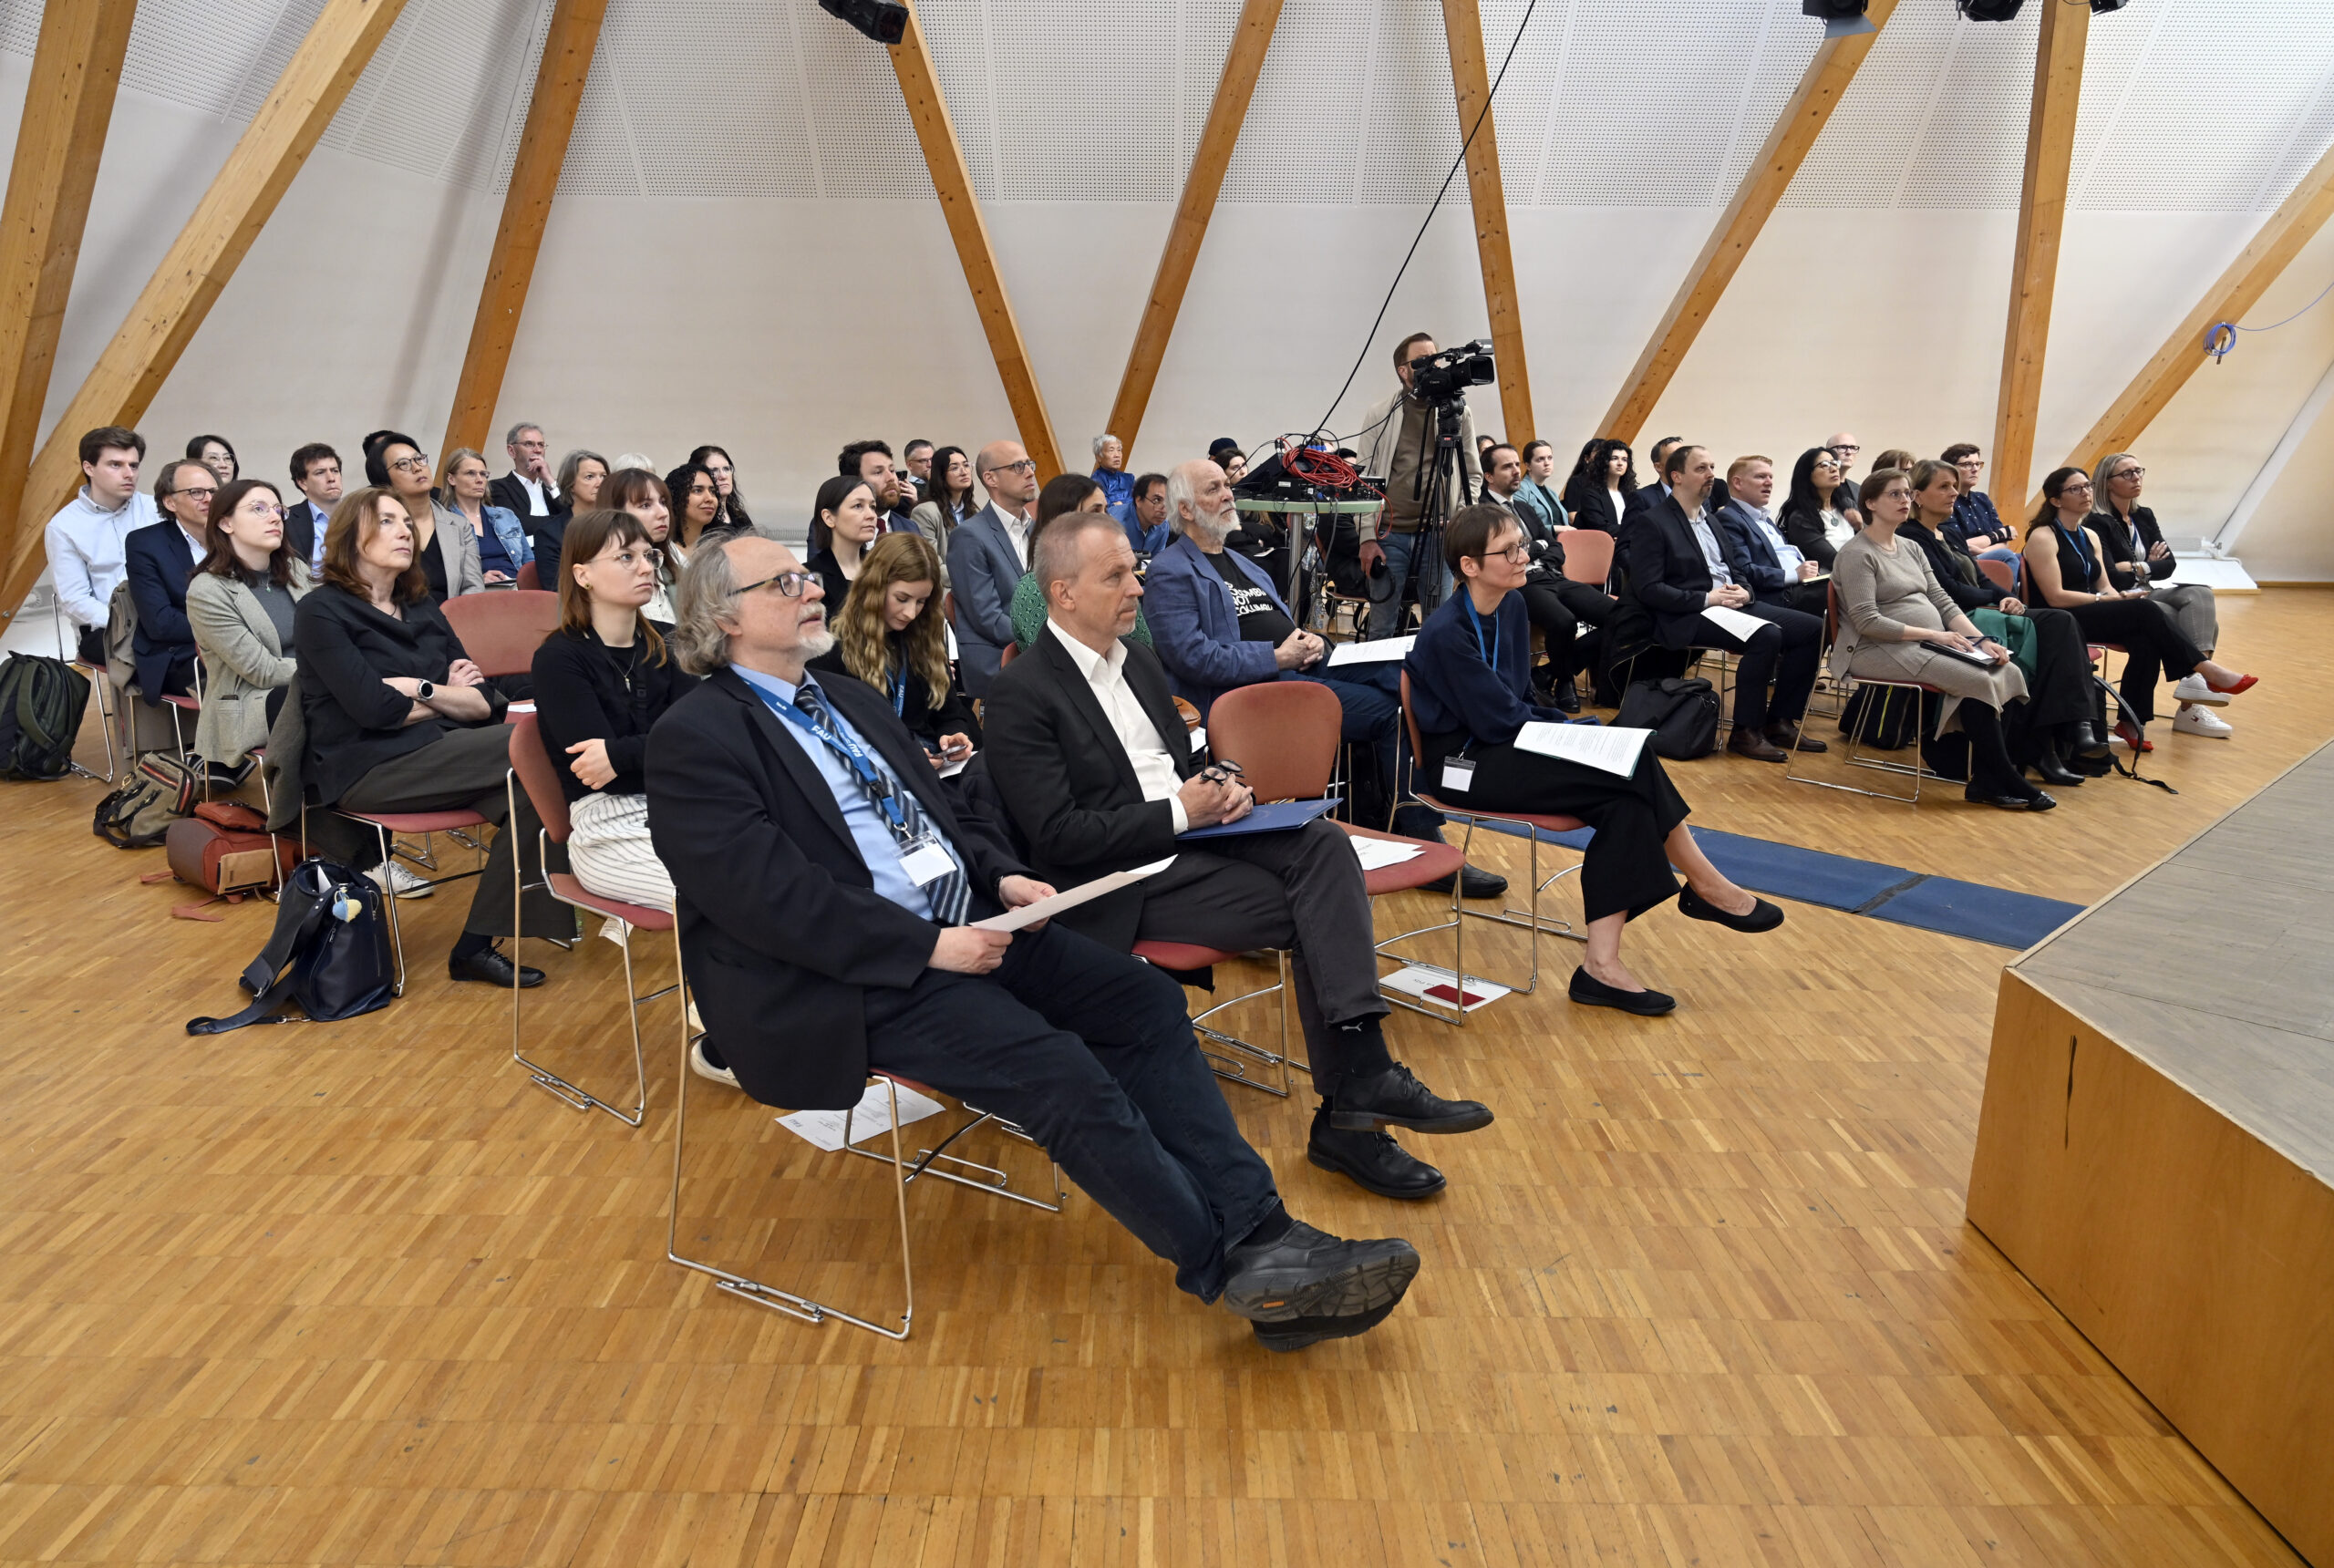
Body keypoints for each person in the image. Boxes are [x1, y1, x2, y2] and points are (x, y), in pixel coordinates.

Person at [647, 533, 1422, 1350]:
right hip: (856, 975)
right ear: (723, 617)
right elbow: (770, 902)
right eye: (786, 582)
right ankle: (1230, 1265)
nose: (812, 590)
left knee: (1145, 1002)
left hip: (975, 925)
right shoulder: (696, 739)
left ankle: (1261, 1231)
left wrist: (1002, 875)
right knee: (1058, 1070)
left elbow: (946, 821)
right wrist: (926, 947)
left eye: (808, 576)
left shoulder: (848, 699)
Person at [984, 509, 1495, 1203]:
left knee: (1320, 841)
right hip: (1121, 879)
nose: (1138, 586)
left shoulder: (1138, 660)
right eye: (1118, 576)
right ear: (1064, 593)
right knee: (1319, 904)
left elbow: (1184, 758)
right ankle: (1354, 1107)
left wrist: (1227, 782)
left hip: (1191, 840)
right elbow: (1058, 838)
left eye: (1135, 569)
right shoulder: (1021, 692)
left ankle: (1359, 1090)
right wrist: (1179, 812)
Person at [1408, 504, 1783, 1016]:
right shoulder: (1447, 632)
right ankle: (1704, 885)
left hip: (1510, 742)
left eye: (1523, 545)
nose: (1525, 557)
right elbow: (1495, 721)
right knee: (1628, 766)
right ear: (1470, 566)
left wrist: (1571, 733)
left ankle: (1601, 967)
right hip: (1463, 765)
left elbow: (1519, 695)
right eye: (1511, 551)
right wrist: (1572, 733)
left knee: (1625, 793)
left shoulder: (1512, 607)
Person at [1143, 456, 1503, 898]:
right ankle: (1422, 837)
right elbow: (1191, 657)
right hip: (1254, 694)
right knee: (1390, 712)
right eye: (1214, 488)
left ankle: (1416, 797)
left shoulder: (1245, 564)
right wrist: (1276, 656)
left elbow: (1282, 627)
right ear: (1185, 509)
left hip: (1299, 669)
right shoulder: (1171, 570)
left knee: (1407, 677)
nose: (1228, 494)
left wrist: (1312, 642)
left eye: (1225, 486)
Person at [294, 487, 564, 985]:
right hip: (368, 766)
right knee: (541, 745)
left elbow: (484, 702)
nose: (405, 531)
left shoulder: (420, 605)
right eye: (387, 521)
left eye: (406, 522)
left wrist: (418, 690)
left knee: (532, 792)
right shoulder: (321, 611)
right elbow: (373, 710)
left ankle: (475, 947)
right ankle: (601, 877)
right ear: (350, 536)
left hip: (441, 751)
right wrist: (444, 694)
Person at [1833, 469, 2053, 811]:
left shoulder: (1909, 546)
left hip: (1924, 642)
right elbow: (1867, 621)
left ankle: (1985, 780)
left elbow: (1942, 601)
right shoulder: (1857, 553)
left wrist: (1981, 641)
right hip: (1875, 648)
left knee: (2007, 671)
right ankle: (2005, 777)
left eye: (1907, 494)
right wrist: (1936, 634)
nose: (1905, 500)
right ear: (1871, 503)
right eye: (1895, 494)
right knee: (1977, 679)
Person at [530, 508, 697, 915]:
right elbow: (599, 776)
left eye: (649, 556)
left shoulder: (672, 644)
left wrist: (621, 755)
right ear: (583, 575)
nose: (645, 566)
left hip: (685, 804)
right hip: (608, 827)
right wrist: (670, 750)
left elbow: (702, 742)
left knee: (777, 874)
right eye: (626, 557)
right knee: (718, 896)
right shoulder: (559, 658)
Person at [2020, 468, 2255, 748]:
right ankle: (2205, 671)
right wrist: (2105, 600)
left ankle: (2131, 722)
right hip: (2057, 617)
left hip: (2088, 609)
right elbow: (2055, 596)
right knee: (2146, 613)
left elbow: (2104, 585)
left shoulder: (2088, 536)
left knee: (2146, 637)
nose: (2085, 493)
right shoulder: (2042, 537)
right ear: (2056, 500)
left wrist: (2119, 597)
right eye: (2075, 489)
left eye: (2087, 486)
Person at [1619, 444, 1824, 761]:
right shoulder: (1654, 521)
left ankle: (1780, 720)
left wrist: (1745, 591)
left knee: (1812, 629)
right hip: (1687, 612)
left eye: (1712, 467)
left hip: (1729, 604)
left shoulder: (1712, 520)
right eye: (1701, 468)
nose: (1711, 475)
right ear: (1677, 476)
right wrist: (1706, 598)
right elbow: (1649, 589)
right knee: (1767, 635)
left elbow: (1737, 570)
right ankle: (1745, 731)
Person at [1903, 459, 2103, 783]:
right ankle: (2061, 739)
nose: (1954, 493)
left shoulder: (1948, 534)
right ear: (1918, 496)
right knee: (2058, 624)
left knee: (2058, 631)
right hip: (1951, 623)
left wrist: (2006, 596)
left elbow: (1981, 581)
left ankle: (2053, 743)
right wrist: (1994, 600)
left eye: (1954, 486)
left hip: (1980, 612)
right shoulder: (1912, 536)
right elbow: (1947, 591)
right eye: (1944, 486)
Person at [2091, 451, 2228, 739]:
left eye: (2139, 470)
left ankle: (2196, 682)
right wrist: (2147, 566)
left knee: (2200, 595)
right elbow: (2111, 575)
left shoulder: (2144, 515)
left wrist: (2136, 566)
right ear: (2107, 482)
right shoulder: (2097, 521)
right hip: (2117, 598)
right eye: (2127, 473)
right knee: (2169, 621)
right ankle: (2191, 702)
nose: (2136, 477)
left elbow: (2169, 565)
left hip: (2148, 592)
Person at [811, 531, 978, 763]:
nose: (910, 613)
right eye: (902, 599)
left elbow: (950, 714)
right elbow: (833, 736)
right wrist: (903, 756)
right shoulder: (834, 651)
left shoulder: (925, 640)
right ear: (874, 588)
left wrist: (952, 736)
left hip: (934, 766)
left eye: (921, 602)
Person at [1356, 333, 1481, 637]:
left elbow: (1473, 475)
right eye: (1422, 360)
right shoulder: (1380, 413)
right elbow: (1363, 478)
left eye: (1435, 358)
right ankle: (1378, 683)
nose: (1432, 365)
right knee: (1382, 624)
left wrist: (1459, 523)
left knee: (1439, 625)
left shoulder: (1457, 412)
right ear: (1403, 370)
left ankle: (1430, 682)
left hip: (1438, 535)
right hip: (1389, 534)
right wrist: (1366, 538)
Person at [187, 477, 311, 772]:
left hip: (313, 681)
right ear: (226, 523)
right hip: (253, 700)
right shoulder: (207, 591)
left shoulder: (295, 568)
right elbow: (262, 672)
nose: (274, 517)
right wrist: (333, 668)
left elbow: (336, 629)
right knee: (327, 699)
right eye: (258, 508)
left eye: (278, 509)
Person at [1482, 443, 1612, 712]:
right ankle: (1565, 681)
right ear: (1489, 476)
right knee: (1563, 622)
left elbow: (1556, 547)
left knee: (1621, 615)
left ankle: (1548, 673)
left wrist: (1538, 550)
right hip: (1520, 583)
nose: (1517, 471)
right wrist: (1537, 548)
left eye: (1517, 465)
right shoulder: (1482, 511)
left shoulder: (1525, 508)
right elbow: (1504, 554)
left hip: (1552, 576)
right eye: (1507, 467)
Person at [46, 426, 160, 666]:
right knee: (162, 657)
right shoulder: (64, 526)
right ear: (89, 468)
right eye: (115, 465)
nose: (129, 474)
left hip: (164, 616)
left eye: (134, 465)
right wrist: (128, 622)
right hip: (106, 628)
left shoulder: (156, 510)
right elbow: (75, 600)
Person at [1008, 473, 1154, 654]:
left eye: (1106, 511)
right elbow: (1060, 662)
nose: (1108, 520)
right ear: (1062, 520)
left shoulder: (1118, 576)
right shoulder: (1032, 589)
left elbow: (1143, 645)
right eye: (1095, 512)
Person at [948, 438, 1038, 696]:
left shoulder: (1036, 530)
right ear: (991, 478)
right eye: (1018, 466)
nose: (1031, 472)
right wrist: (1048, 641)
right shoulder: (969, 536)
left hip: (1035, 652)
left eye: (1030, 464)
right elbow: (987, 618)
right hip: (999, 657)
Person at [120, 458, 213, 705]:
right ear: (170, 501)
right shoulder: (146, 544)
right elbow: (161, 623)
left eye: (214, 491)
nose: (208, 498)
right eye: (196, 492)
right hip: (180, 653)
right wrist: (227, 629)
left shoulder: (235, 534)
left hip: (241, 644)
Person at [365, 433, 480, 601]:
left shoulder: (459, 525)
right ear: (384, 479)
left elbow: (473, 586)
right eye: (403, 464)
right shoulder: (375, 527)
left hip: (452, 621)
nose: (417, 467)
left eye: (419, 459)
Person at [1715, 455, 1825, 614]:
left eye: (1770, 477)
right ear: (1738, 483)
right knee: (1838, 591)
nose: (1769, 482)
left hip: (1800, 586)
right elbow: (1744, 570)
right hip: (1776, 595)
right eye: (1761, 477)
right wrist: (1795, 574)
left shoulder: (1765, 519)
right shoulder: (1728, 518)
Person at [439, 449, 532, 587]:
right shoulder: (444, 522)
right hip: (477, 593)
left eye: (483, 474)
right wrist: (479, 580)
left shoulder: (506, 515)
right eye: (471, 473)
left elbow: (529, 562)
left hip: (516, 589)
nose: (479, 480)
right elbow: (443, 574)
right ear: (451, 479)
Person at [606, 468, 677, 627]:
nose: (663, 513)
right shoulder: (605, 583)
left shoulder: (674, 573)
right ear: (616, 512)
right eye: (645, 505)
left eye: (663, 503)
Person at [804, 473, 883, 611]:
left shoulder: (883, 566)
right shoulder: (810, 576)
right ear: (829, 518)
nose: (871, 515)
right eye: (858, 506)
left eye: (873, 507)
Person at [533, 449, 609, 589]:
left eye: (604, 476)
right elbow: (556, 588)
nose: (600, 483)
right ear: (571, 484)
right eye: (590, 477)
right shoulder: (549, 534)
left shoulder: (618, 526)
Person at [1938, 443, 2015, 562]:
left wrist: (1985, 552)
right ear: (1950, 469)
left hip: (1987, 556)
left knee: (2020, 557)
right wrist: (1997, 536)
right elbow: (1959, 545)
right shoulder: (1947, 501)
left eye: (1978, 464)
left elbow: (2004, 542)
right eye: (1967, 464)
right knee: (2008, 556)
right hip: (1962, 561)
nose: (1975, 469)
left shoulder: (1983, 499)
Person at [1780, 448, 1854, 569]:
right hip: (1828, 582)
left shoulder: (1847, 505)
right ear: (1807, 475)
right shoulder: (1801, 518)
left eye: (1835, 463)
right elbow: (1833, 560)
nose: (1834, 469)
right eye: (1824, 465)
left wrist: (1861, 527)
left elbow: (1874, 545)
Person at [285, 443, 341, 576]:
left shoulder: (361, 514)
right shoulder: (287, 521)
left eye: (335, 471)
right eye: (320, 473)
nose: (331, 478)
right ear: (302, 482)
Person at [839, 439, 916, 533]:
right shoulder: (834, 530)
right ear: (854, 481)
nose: (891, 478)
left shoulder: (910, 528)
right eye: (878, 472)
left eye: (892, 470)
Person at [1562, 439, 1635, 536]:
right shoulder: (1591, 493)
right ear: (1604, 462)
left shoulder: (1630, 493)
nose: (1620, 463)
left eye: (1624, 459)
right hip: (1602, 545)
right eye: (1614, 458)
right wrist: (1633, 529)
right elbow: (1601, 527)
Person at [490, 422, 561, 519]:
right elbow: (518, 523)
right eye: (529, 444)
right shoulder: (497, 487)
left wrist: (549, 480)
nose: (538, 450)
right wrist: (560, 521)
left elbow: (573, 518)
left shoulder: (554, 488)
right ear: (512, 451)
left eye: (541, 445)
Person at [664, 460, 728, 552]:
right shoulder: (662, 552)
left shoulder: (718, 549)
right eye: (698, 490)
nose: (710, 498)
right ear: (677, 497)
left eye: (712, 492)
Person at [689, 444, 751, 534]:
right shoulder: (700, 520)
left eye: (726, 469)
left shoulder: (740, 516)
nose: (723, 476)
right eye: (713, 470)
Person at [1621, 438, 1682, 525]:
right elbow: (1629, 537)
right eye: (1675, 456)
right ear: (1658, 467)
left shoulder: (1697, 495)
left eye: (1685, 455)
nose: (1683, 461)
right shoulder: (1642, 498)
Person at [1120, 470, 1170, 557]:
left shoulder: (1163, 526)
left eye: (1168, 502)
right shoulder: (1115, 523)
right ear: (1138, 500)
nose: (1164, 509)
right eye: (1157, 500)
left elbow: (1156, 562)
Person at [1824, 431, 1864, 520]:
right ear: (1828, 452)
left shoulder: (1859, 490)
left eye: (1853, 448)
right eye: (1842, 447)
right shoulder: (1820, 487)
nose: (1849, 452)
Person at [1091, 433, 1133, 514]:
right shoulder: (1096, 481)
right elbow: (1105, 507)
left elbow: (1139, 503)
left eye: (1119, 450)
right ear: (1098, 457)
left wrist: (1120, 504)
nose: (1117, 455)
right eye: (1111, 450)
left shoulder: (1129, 478)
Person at [902, 438, 935, 503]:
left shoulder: (943, 483)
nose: (930, 465)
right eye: (924, 460)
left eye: (932, 459)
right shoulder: (905, 490)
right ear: (910, 465)